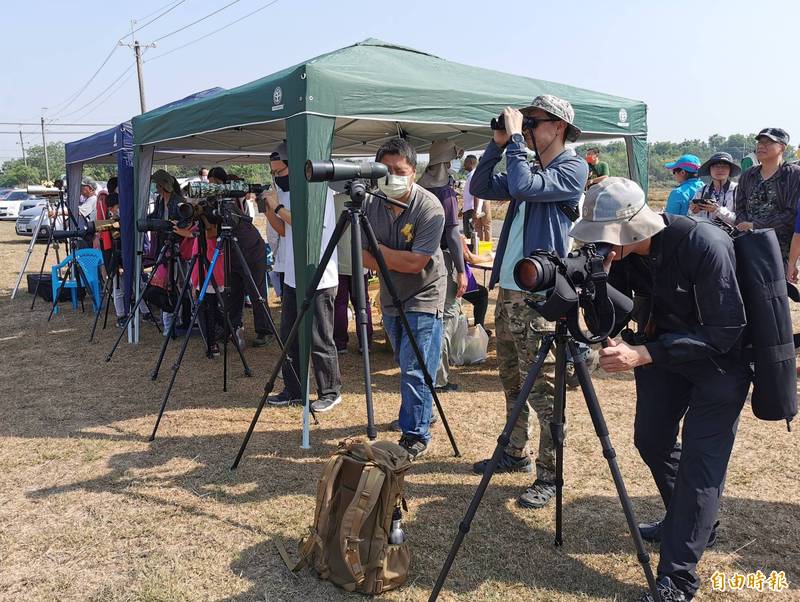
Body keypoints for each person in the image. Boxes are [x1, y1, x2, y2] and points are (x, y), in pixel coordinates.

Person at [571, 177, 751, 602]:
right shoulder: (623, 257)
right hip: (664, 353)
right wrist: (599, 284)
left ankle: (678, 577)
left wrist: (644, 355)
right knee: (650, 440)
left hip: (720, 363)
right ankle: (690, 522)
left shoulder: (702, 243)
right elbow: (614, 318)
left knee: (699, 466)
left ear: (635, 226)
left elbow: (725, 330)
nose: (602, 244)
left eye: (608, 236)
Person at [469, 95, 588, 509]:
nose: (528, 128)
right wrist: (498, 143)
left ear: (557, 127)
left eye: (534, 122)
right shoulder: (528, 165)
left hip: (540, 298)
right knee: (512, 382)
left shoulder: (573, 167)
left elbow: (522, 186)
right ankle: (513, 453)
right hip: (510, 291)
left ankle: (551, 476)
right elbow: (480, 186)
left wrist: (516, 143)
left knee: (545, 391)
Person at [362, 138, 446, 459]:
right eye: (387, 170)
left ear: (414, 172)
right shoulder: (371, 203)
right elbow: (359, 256)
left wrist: (379, 253)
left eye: (400, 170)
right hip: (391, 295)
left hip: (425, 294)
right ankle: (422, 410)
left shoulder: (429, 207)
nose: (393, 176)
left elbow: (416, 264)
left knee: (415, 366)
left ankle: (415, 433)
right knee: (404, 360)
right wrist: (387, 258)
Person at [263, 143, 342, 413]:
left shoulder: (318, 190)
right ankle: (294, 389)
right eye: (273, 172)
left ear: (294, 166)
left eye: (280, 170)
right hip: (293, 275)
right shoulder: (283, 193)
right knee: (290, 336)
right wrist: (269, 209)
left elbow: (307, 226)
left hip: (319, 275)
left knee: (320, 337)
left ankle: (330, 391)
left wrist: (276, 209)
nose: (277, 176)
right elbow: (284, 231)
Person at [418, 140, 467, 394]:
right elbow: (453, 235)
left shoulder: (418, 187)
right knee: (447, 315)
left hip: (419, 260)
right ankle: (438, 377)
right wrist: (461, 270)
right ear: (447, 163)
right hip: (442, 261)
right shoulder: (446, 194)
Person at [206, 166, 275, 347]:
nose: (211, 187)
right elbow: (212, 229)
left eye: (213, 184)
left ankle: (265, 330)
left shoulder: (232, 195)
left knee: (256, 291)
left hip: (250, 249)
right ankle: (231, 327)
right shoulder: (219, 200)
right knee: (233, 292)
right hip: (232, 250)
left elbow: (233, 219)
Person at [735, 127, 800, 265]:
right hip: (748, 246)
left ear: (782, 148)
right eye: (759, 142)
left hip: (779, 251)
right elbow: (739, 208)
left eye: (767, 143)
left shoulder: (794, 174)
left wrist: (755, 225)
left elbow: (792, 214)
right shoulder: (748, 175)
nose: (761, 146)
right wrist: (744, 228)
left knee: (778, 286)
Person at [332, 192, 374, 354]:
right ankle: (365, 343)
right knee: (362, 304)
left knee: (340, 303)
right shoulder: (365, 200)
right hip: (361, 260)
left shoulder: (334, 201)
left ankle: (340, 343)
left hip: (338, 261)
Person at [96, 177, 125, 326]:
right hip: (113, 255)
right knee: (117, 286)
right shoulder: (108, 224)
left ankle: (143, 311)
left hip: (123, 254)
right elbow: (108, 243)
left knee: (132, 285)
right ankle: (121, 315)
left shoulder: (118, 219)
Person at [689, 152, 739, 225]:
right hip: (706, 233)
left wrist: (717, 210)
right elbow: (692, 218)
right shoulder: (701, 191)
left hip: (730, 236)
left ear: (730, 170)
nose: (720, 169)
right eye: (716, 166)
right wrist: (693, 211)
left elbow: (742, 221)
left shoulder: (738, 190)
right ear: (709, 170)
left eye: (725, 166)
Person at [461, 235, 492, 333]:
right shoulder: (454, 234)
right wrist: (489, 257)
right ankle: (479, 329)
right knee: (482, 294)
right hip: (456, 279)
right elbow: (471, 258)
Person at [461, 154, 480, 239]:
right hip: (468, 208)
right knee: (468, 231)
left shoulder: (473, 176)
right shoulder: (470, 176)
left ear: (471, 163)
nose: (464, 164)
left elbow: (476, 195)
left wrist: (475, 211)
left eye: (465, 162)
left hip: (471, 210)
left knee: (469, 232)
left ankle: (472, 250)